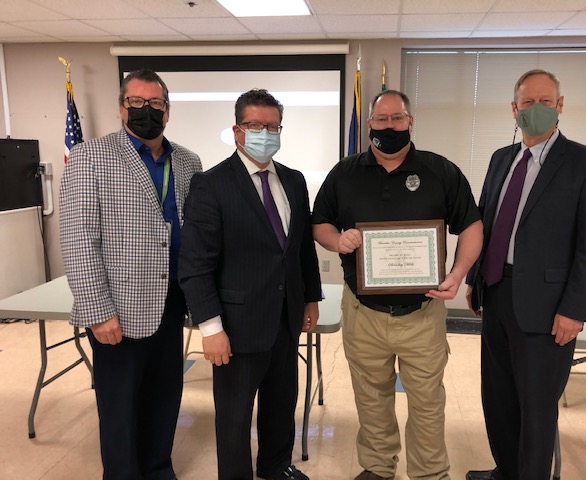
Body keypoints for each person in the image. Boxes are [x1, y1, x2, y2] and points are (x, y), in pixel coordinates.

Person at [312, 89, 483, 480]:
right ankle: (377, 467)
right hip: (363, 314)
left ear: (410, 122)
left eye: (397, 118)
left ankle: (429, 473)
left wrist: (457, 274)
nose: (389, 126)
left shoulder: (441, 171)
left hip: (422, 313)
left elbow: (472, 225)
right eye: (382, 119)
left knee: (427, 403)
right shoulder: (344, 173)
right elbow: (320, 222)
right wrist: (337, 240)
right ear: (369, 123)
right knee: (371, 399)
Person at [465, 69, 586, 480]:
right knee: (497, 398)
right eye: (527, 103)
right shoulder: (501, 159)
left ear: (560, 106)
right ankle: (505, 470)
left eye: (545, 102)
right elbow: (487, 223)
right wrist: (475, 279)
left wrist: (575, 310)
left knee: (536, 407)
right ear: (514, 109)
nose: (536, 109)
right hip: (496, 295)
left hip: (549, 310)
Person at [59, 68, 202, 479]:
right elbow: (78, 239)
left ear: (167, 111)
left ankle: (159, 468)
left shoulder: (188, 162)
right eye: (135, 103)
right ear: (121, 107)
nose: (145, 110)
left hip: (172, 302)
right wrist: (97, 311)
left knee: (164, 397)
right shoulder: (91, 157)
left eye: (155, 103)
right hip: (117, 308)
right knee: (120, 406)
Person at [178, 89, 322, 480]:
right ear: (237, 131)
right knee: (235, 415)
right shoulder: (211, 184)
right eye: (256, 126)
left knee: (281, 403)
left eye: (273, 126)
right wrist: (210, 328)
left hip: (284, 318)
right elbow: (195, 265)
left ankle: (276, 467)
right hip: (235, 326)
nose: (266, 133)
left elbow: (300, 248)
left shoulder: (293, 180)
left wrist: (310, 297)